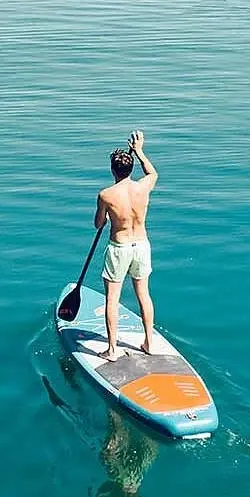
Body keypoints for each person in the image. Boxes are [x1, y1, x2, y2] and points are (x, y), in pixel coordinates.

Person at [93, 131, 158, 360]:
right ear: (131, 170)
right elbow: (152, 172)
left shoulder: (106, 195)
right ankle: (149, 342)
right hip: (141, 246)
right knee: (144, 294)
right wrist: (140, 151)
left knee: (112, 298)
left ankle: (112, 350)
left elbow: (98, 224)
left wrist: (109, 215)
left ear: (113, 170)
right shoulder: (143, 187)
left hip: (119, 248)